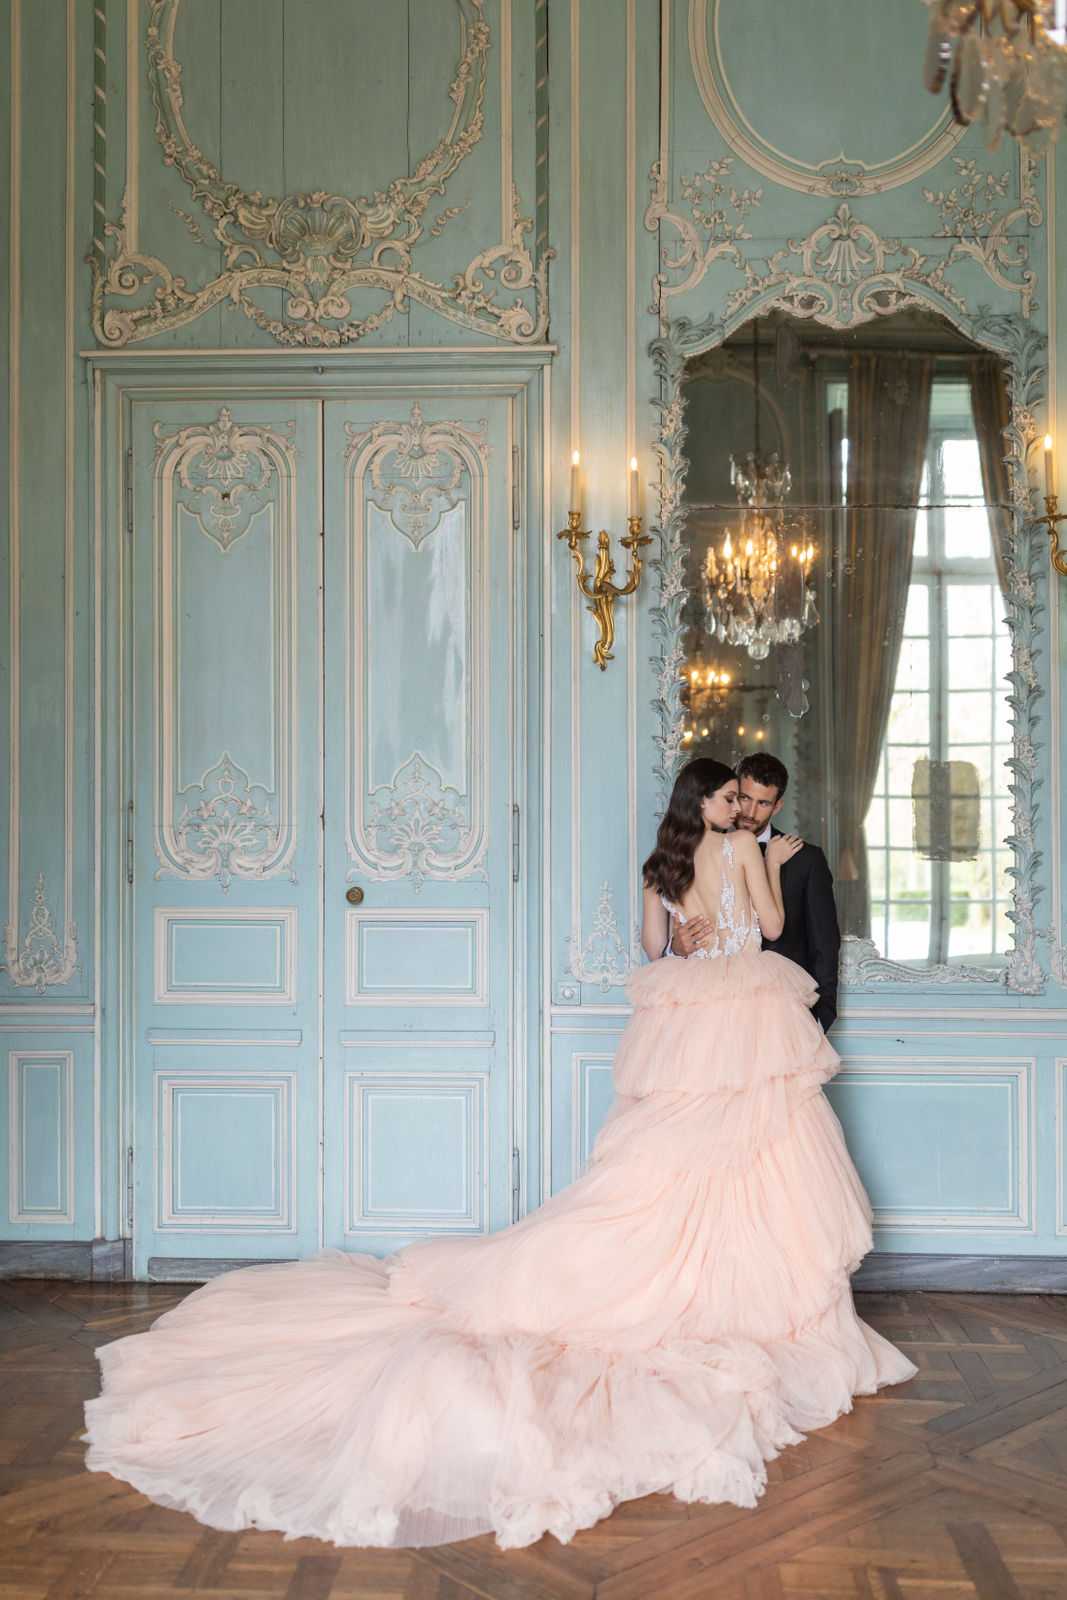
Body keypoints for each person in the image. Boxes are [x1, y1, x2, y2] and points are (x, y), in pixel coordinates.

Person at [83, 757, 915, 1552]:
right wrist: (765, 865)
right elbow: (771, 930)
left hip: (691, 1015)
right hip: (748, 1012)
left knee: (672, 1158)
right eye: (732, 797)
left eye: (745, 800)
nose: (741, 809)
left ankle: (682, 1284)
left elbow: (655, 953)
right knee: (751, 1150)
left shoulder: (659, 867)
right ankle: (740, 1295)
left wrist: (697, 941)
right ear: (711, 803)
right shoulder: (744, 848)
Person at [672, 753, 841, 1031]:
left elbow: (825, 943)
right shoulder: (690, 852)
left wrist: (822, 1014)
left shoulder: (806, 860)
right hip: (710, 1009)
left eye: (763, 803)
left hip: (785, 1013)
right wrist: (675, 947)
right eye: (744, 798)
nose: (749, 812)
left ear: (777, 806)